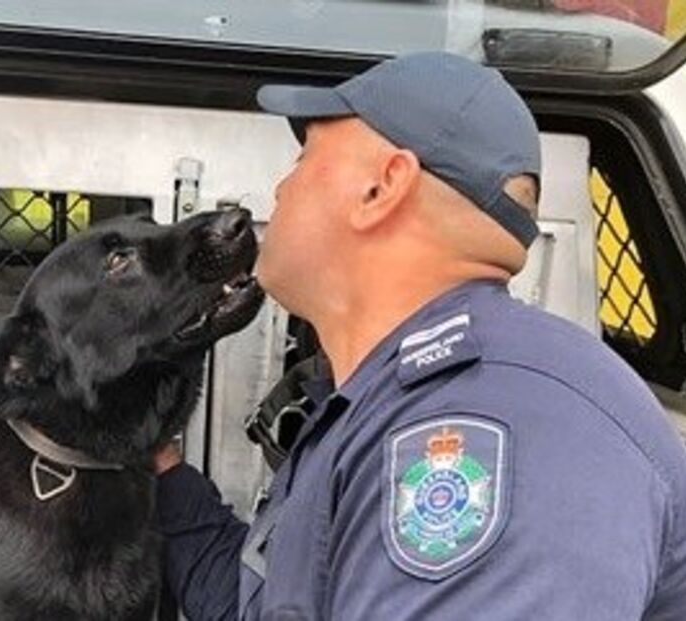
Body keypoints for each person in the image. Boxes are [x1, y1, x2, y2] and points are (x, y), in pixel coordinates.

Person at [153, 52, 686, 620]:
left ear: (383, 187)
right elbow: (259, 606)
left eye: (305, 157)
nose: (281, 188)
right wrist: (157, 469)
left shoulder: (501, 436)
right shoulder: (388, 398)